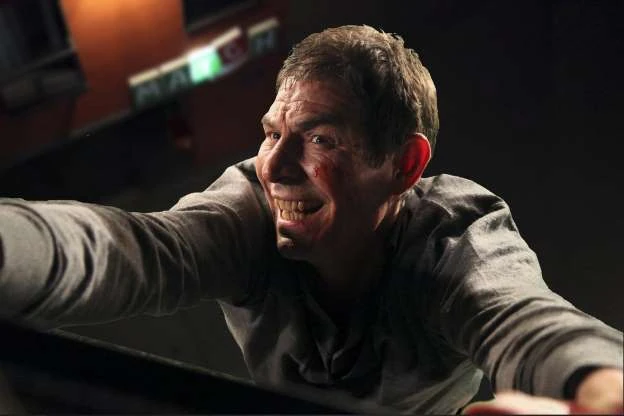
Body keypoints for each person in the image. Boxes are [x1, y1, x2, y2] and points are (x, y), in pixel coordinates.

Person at [0, 25, 622, 414]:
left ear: (404, 165)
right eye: (272, 133)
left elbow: (525, 321)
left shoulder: (454, 242)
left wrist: (602, 385)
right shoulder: (247, 212)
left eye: (321, 139)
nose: (274, 166)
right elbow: (130, 251)